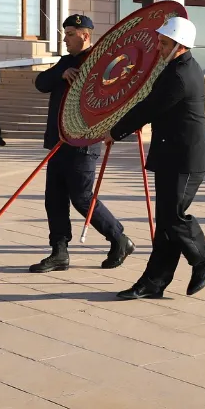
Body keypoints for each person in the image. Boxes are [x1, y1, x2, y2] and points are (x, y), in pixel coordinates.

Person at [107, 16, 205, 299]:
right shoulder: (179, 67)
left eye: (164, 42)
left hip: (186, 158)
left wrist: (114, 132)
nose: (158, 46)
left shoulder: (180, 75)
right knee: (166, 223)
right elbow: (159, 107)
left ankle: (204, 258)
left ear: (180, 45)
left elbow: (148, 107)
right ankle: (153, 282)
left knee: (173, 217)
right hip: (172, 155)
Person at [30, 15, 134, 273]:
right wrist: (60, 73)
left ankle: (119, 238)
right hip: (58, 140)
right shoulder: (65, 61)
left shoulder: (101, 62)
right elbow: (40, 83)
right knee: (54, 198)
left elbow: (113, 95)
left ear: (85, 35)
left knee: (82, 198)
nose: (65, 39)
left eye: (69, 34)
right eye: (65, 34)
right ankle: (59, 251)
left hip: (84, 141)